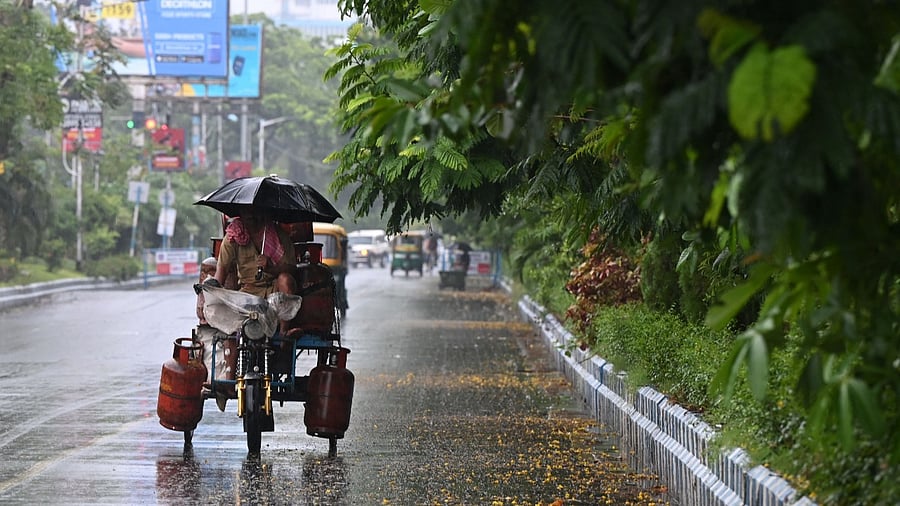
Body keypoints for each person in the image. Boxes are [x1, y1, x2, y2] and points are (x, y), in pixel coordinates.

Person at [213, 208, 298, 299]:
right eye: (246, 209)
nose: (251, 215)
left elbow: (292, 268)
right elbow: (221, 270)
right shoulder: (234, 236)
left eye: (255, 209)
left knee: (285, 280)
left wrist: (271, 269)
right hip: (248, 292)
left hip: (275, 289)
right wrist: (211, 295)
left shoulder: (279, 235)